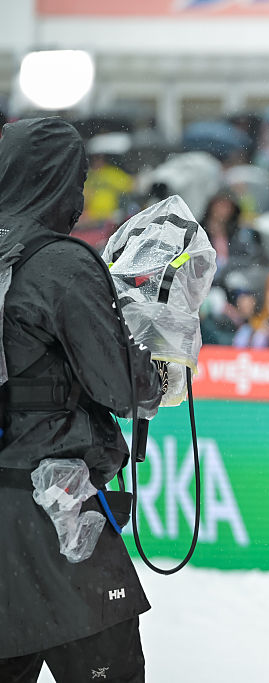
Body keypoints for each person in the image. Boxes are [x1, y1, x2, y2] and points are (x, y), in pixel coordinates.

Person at [0, 118, 165, 681]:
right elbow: (120, 386)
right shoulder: (60, 263)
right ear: (58, 181)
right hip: (57, 512)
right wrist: (155, 354)